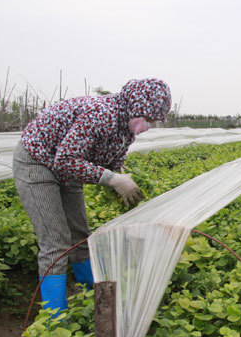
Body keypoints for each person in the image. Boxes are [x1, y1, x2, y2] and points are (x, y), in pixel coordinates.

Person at [12, 78, 171, 314]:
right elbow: (64, 160)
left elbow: (113, 159)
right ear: (137, 107)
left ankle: (94, 303)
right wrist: (112, 179)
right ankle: (54, 321)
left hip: (70, 169)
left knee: (80, 237)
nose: (148, 125)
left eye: (154, 121)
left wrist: (121, 176)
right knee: (55, 242)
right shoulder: (100, 113)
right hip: (38, 162)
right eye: (148, 118)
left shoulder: (126, 128)